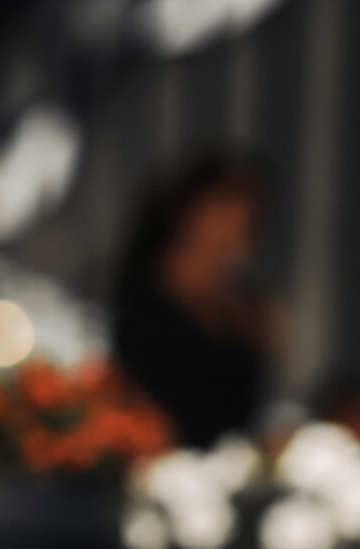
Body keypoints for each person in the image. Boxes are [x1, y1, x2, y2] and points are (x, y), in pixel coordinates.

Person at [112, 155, 281, 449]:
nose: (232, 228)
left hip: (226, 464)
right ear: (187, 212)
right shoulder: (146, 293)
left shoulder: (247, 308)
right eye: (222, 212)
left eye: (248, 218)